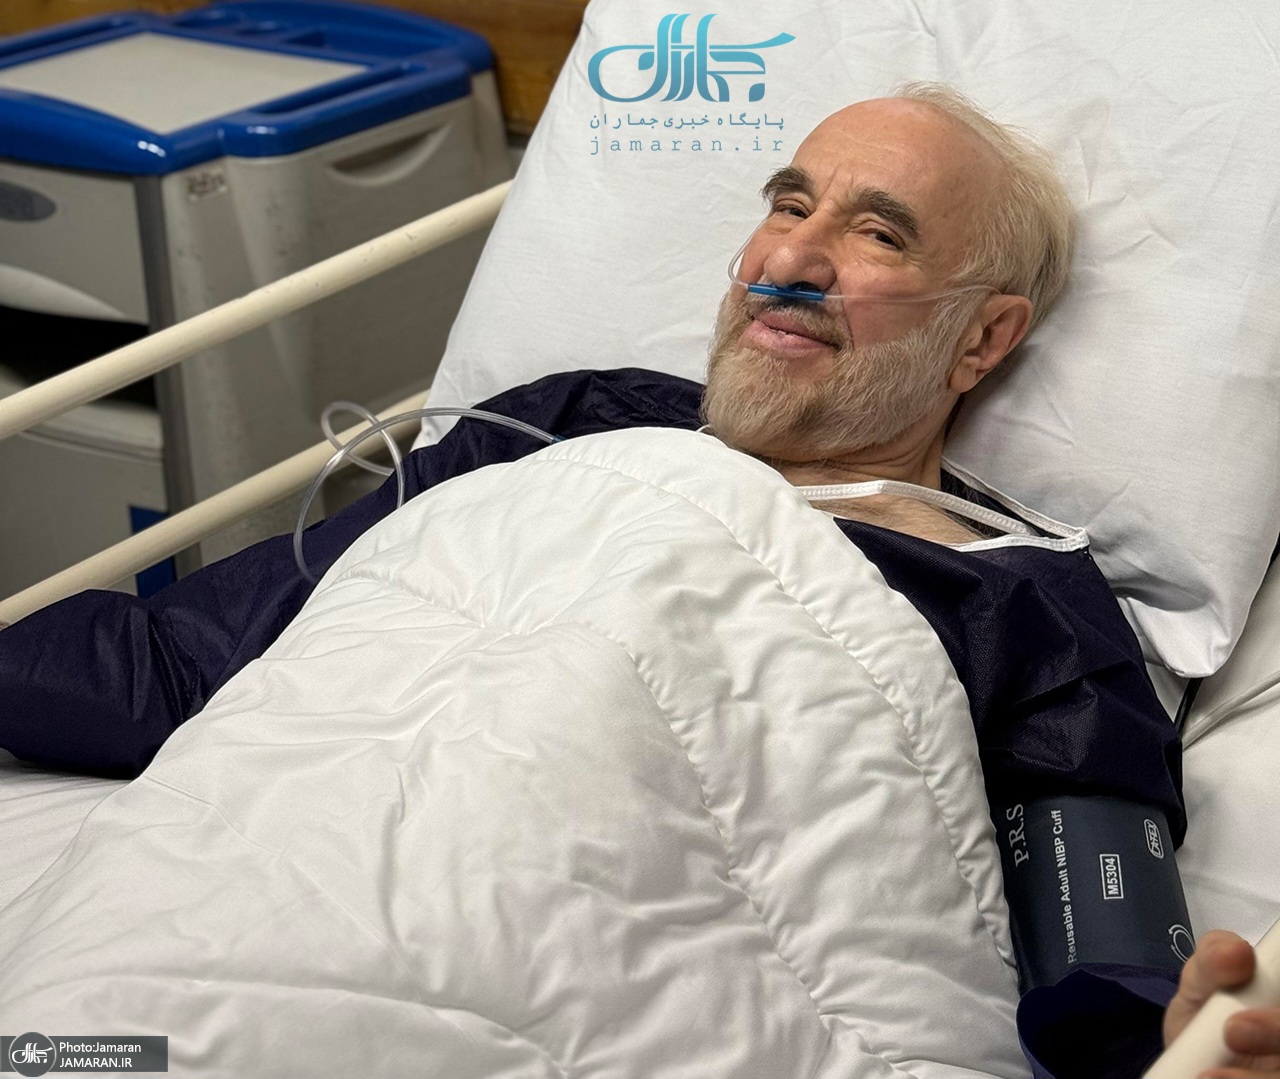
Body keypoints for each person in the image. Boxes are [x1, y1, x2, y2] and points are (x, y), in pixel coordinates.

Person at [0, 83, 1276, 1077]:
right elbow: (178, 664)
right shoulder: (565, 423)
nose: (792, 256)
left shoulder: (1019, 589)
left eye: (876, 231)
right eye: (787, 204)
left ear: (983, 336)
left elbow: (1100, 944)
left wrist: (1173, 1036)